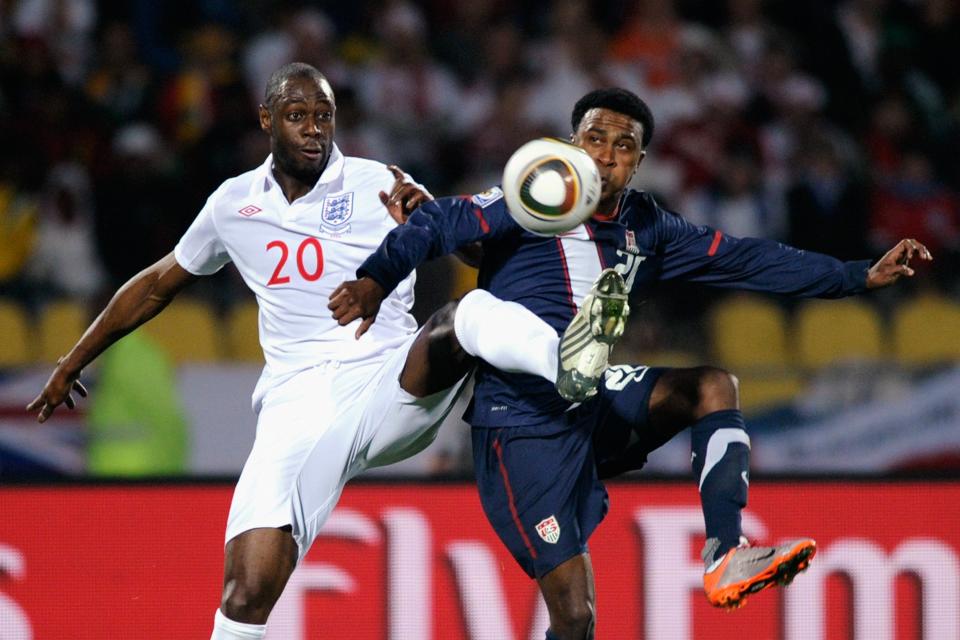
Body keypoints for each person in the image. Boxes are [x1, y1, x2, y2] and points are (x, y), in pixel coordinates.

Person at [329, 87, 932, 639]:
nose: (607, 155)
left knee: (713, 386)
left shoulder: (648, 224)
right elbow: (442, 221)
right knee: (575, 614)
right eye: (595, 139)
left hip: (591, 406)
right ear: (572, 144)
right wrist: (376, 281)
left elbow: (749, 259)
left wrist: (856, 275)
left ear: (639, 163)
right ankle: (561, 363)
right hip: (519, 423)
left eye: (625, 146)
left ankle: (725, 554)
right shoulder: (533, 195)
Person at [26, 63, 478, 640]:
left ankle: (556, 386)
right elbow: (158, 283)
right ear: (267, 120)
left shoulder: (379, 183)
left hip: (385, 377)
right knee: (244, 595)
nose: (313, 129)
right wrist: (71, 360)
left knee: (461, 322)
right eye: (297, 117)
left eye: (323, 117)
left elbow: (476, 258)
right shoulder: (233, 204)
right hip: (295, 404)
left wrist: (432, 224)